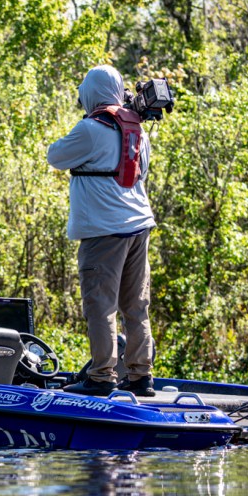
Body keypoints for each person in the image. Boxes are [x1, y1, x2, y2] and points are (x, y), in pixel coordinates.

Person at [47, 65, 156, 397]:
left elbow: (55, 156)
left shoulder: (91, 129)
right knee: (136, 305)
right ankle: (140, 375)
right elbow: (141, 172)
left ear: (91, 92)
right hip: (139, 226)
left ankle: (102, 376)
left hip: (104, 231)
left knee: (100, 305)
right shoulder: (139, 130)